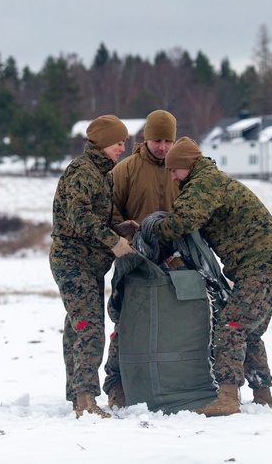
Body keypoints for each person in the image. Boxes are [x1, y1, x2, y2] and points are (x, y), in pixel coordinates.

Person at [151, 136, 272, 417]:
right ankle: (263, 396)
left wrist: (150, 232)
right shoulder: (208, 181)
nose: (172, 177)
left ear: (186, 166)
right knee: (249, 331)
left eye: (174, 170)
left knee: (231, 326)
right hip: (266, 262)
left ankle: (228, 397)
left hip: (261, 263)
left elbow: (184, 221)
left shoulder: (205, 183)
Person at [50, 114, 137, 419]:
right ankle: (86, 400)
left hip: (90, 265)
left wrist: (119, 227)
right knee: (89, 328)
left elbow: (99, 218)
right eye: (118, 142)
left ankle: (78, 395)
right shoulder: (82, 172)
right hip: (72, 261)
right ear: (102, 142)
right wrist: (113, 242)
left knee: (78, 327)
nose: (122, 148)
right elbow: (78, 216)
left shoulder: (103, 174)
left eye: (124, 142)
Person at [102, 109, 180, 408]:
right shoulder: (125, 170)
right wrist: (130, 238)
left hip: (177, 259)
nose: (162, 147)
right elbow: (109, 211)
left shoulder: (182, 167)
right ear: (145, 138)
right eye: (157, 140)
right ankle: (116, 384)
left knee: (177, 321)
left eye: (167, 141)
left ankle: (170, 379)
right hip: (134, 260)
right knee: (127, 321)